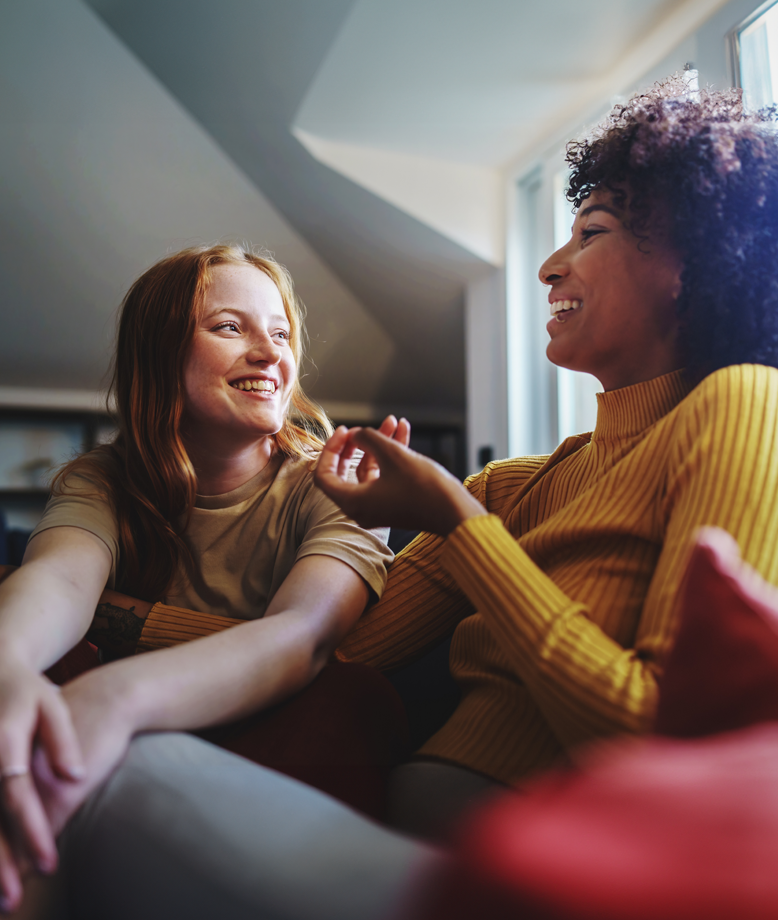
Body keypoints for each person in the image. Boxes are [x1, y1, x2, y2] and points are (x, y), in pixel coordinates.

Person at [9, 74, 778, 918]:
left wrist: (457, 523)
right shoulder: (518, 487)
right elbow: (322, 653)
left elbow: (660, 752)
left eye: (590, 232)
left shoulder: (743, 404)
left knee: (97, 769)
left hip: (527, 860)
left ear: (690, 263)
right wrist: (114, 622)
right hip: (405, 823)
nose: (552, 264)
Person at [0, 244, 396, 911]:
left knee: (347, 697)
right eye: (229, 326)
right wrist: (7, 667)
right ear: (160, 354)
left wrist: (112, 700)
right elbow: (60, 583)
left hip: (267, 744)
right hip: (108, 752)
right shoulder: (103, 479)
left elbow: (302, 635)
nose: (269, 352)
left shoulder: (340, 486)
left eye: (280, 333)